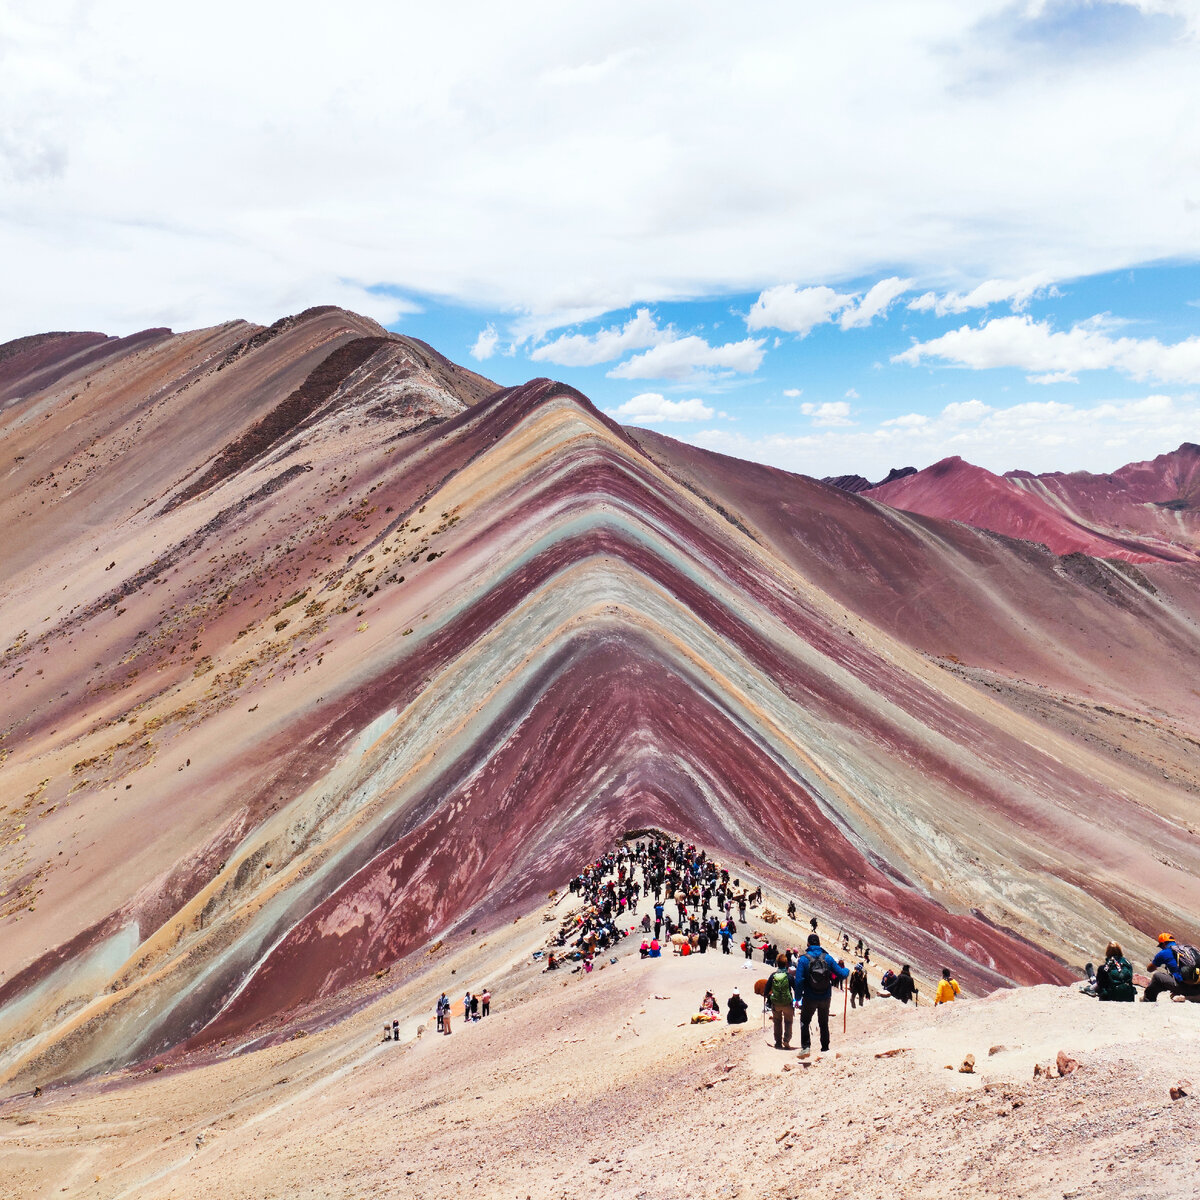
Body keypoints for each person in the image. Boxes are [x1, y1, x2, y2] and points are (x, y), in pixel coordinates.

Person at [794, 933, 849, 1055]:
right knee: (823, 1022)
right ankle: (825, 1048)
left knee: (805, 1021)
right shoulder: (828, 958)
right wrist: (847, 970)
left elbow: (799, 980)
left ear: (808, 944)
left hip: (809, 997)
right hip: (825, 996)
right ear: (819, 944)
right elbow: (841, 974)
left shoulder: (803, 959)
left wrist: (797, 998)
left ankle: (806, 1047)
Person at [766, 953, 795, 1050]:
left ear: (777, 963)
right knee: (788, 1022)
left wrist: (771, 996)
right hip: (787, 1003)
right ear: (786, 964)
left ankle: (778, 1042)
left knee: (777, 1022)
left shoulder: (773, 976)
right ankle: (786, 1040)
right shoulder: (789, 976)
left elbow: (766, 991)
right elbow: (796, 988)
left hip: (776, 1004)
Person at [1143, 933, 1182, 1002]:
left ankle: (1148, 1000)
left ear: (1163, 944)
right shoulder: (1184, 950)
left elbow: (1150, 969)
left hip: (1183, 986)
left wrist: (1156, 962)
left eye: (1161, 945)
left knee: (1157, 976)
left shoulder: (1164, 953)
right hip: (1196, 986)